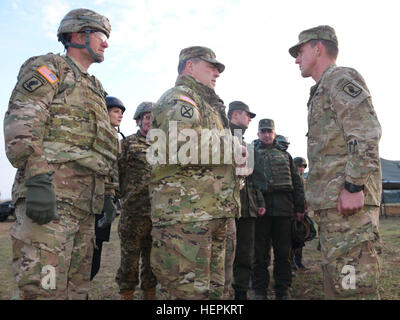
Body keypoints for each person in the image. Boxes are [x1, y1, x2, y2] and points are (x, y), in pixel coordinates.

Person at [4, 8, 118, 299]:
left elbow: (101, 147)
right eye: (102, 36)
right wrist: (37, 178)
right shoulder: (51, 67)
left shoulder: (94, 87)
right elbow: (22, 122)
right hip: (51, 202)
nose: (106, 43)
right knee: (45, 288)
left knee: (77, 290)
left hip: (84, 208)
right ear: (80, 35)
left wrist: (105, 194)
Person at [289, 25, 382, 299]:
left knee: (352, 290)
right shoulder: (321, 89)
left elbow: (366, 131)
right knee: (340, 288)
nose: (296, 59)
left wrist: (354, 186)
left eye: (300, 51)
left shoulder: (339, 78)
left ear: (318, 48)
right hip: (334, 208)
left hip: (349, 209)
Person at [149, 46, 241, 300]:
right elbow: (182, 142)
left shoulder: (210, 106)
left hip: (212, 213)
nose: (217, 73)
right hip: (185, 217)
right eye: (211, 67)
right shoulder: (180, 98)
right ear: (190, 66)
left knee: (215, 292)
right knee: (186, 293)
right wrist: (235, 148)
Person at [252, 119, 305, 300]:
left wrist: (299, 207)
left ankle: (283, 289)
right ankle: (260, 290)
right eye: (263, 131)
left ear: (274, 134)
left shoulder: (285, 155)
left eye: (270, 131)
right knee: (260, 254)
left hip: (283, 210)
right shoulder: (251, 154)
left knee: (283, 253)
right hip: (261, 210)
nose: (267, 135)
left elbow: (297, 183)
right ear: (258, 134)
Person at [115, 102, 158, 300]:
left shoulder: (165, 146)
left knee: (153, 262)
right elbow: (117, 173)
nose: (150, 121)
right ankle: (127, 294)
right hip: (133, 213)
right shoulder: (128, 144)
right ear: (139, 120)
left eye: (154, 117)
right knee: (129, 261)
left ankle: (150, 294)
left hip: (157, 216)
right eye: (147, 117)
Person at [227, 101, 266, 300]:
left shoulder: (246, 145)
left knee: (245, 253)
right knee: (223, 253)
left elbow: (252, 179)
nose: (250, 119)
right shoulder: (220, 138)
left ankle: (240, 292)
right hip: (225, 208)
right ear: (235, 114)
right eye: (247, 115)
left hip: (247, 208)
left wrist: (259, 202)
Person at [90, 96, 125, 281]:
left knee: (94, 261)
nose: (120, 116)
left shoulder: (116, 138)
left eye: (121, 113)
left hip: (107, 201)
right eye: (115, 111)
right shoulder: (97, 133)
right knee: (86, 260)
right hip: (94, 200)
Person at [291, 157, 308, 272]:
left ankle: (298, 261)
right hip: (292, 212)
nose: (301, 169)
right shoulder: (291, 179)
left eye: (303, 167)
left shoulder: (304, 181)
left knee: (301, 237)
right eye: (298, 166)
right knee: (292, 238)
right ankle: (291, 262)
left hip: (303, 212)